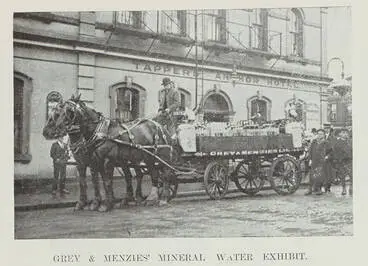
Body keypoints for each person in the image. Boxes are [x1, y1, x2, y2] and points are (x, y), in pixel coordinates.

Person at [329, 128, 353, 195]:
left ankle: (351, 187)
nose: (345, 134)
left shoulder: (350, 142)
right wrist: (339, 161)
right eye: (343, 133)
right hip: (341, 162)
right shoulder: (337, 143)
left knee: (352, 175)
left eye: (346, 133)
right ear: (340, 134)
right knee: (342, 176)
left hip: (350, 161)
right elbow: (335, 153)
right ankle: (344, 189)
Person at [305, 129, 328, 196]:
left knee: (319, 175)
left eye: (321, 134)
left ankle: (318, 189)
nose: (319, 135)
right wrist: (310, 160)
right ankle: (310, 189)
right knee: (312, 175)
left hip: (321, 162)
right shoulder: (314, 142)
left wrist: (327, 157)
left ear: (324, 135)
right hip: (314, 161)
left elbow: (330, 152)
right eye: (318, 134)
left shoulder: (326, 143)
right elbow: (310, 151)